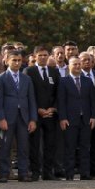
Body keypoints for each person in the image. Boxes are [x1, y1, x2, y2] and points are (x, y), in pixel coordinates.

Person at [0, 50, 38, 182]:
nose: (17, 63)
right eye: (14, 60)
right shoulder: (1, 78)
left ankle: (23, 173)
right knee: (5, 146)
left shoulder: (26, 78)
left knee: (23, 147)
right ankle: (4, 173)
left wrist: (33, 119)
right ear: (7, 61)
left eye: (19, 60)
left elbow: (31, 100)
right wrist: (1, 118)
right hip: (7, 117)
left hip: (23, 117)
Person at [57, 55, 95, 181]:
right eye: (74, 64)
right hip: (70, 119)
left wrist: (93, 116)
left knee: (85, 147)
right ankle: (69, 174)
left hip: (86, 119)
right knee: (70, 147)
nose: (78, 66)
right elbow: (61, 101)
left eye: (79, 64)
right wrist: (62, 118)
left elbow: (93, 100)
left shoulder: (88, 81)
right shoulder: (63, 81)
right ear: (69, 66)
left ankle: (84, 173)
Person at [26, 46, 61, 180]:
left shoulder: (54, 72)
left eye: (45, 55)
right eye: (40, 55)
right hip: (36, 115)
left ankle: (48, 172)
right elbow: (28, 94)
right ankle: (35, 172)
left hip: (51, 115)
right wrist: (38, 109)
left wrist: (53, 108)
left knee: (50, 144)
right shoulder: (29, 71)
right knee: (34, 144)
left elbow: (59, 92)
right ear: (35, 56)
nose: (43, 57)